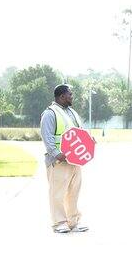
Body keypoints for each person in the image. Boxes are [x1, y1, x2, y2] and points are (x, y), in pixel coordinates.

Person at [40, 84, 89, 233]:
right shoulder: (50, 114)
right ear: (62, 96)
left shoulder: (71, 113)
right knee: (57, 193)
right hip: (59, 161)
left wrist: (89, 142)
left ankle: (73, 222)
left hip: (75, 160)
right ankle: (59, 223)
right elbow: (47, 136)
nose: (72, 97)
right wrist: (56, 153)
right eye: (70, 94)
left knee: (74, 192)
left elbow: (80, 133)